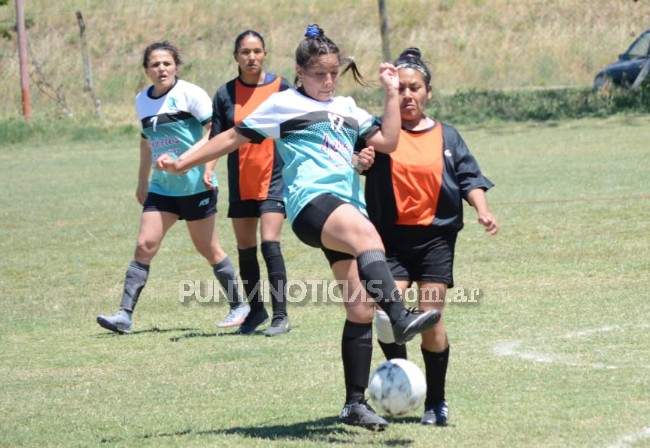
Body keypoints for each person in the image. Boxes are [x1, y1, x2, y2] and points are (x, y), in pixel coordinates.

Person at [157, 25, 441, 431]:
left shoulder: (347, 106)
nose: (327, 82)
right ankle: (399, 315)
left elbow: (391, 141)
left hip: (345, 209)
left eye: (333, 74)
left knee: (360, 309)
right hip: (311, 205)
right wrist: (183, 162)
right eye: (319, 74)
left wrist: (391, 92)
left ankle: (354, 404)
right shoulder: (282, 103)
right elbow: (231, 137)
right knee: (368, 236)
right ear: (300, 71)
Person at [364, 47, 500, 426]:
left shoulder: (448, 136)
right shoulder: (377, 133)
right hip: (387, 239)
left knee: (431, 318)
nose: (408, 95)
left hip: (435, 240)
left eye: (416, 88)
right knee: (385, 317)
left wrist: (482, 210)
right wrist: (361, 160)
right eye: (401, 88)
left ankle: (436, 402)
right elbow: (354, 162)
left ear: (428, 93)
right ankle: (405, 379)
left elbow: (470, 179)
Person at [96, 41, 249, 334]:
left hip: (195, 186)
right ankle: (124, 316)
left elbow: (215, 133)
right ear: (146, 70)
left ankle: (239, 305)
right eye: (154, 64)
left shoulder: (190, 94)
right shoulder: (142, 99)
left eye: (166, 63)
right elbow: (145, 142)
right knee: (144, 245)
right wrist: (142, 180)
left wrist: (203, 166)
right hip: (162, 188)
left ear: (176, 66)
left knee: (208, 248)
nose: (161, 69)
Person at [210, 30, 292, 336]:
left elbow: (296, 127)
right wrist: (208, 168)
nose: (251, 57)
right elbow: (217, 139)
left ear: (265, 54)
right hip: (241, 179)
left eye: (257, 51)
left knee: (270, 243)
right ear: (236, 57)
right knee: (246, 248)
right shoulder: (224, 94)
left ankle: (281, 316)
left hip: (273, 177)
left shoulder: (281, 87)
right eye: (245, 52)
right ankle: (256, 311)